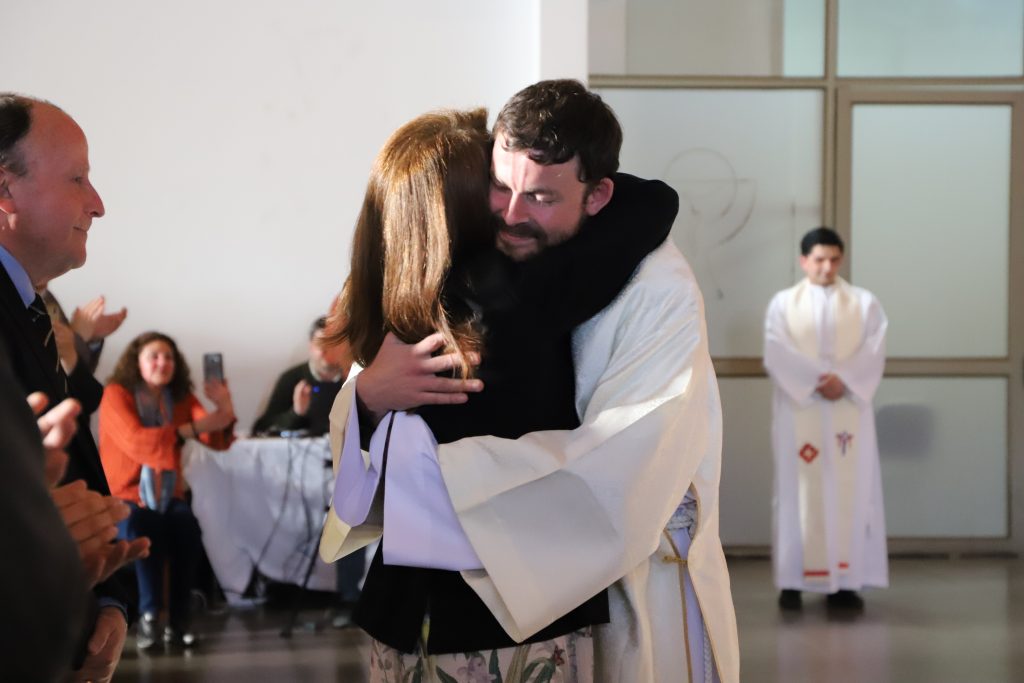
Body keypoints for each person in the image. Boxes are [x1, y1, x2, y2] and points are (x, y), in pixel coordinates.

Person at [321, 81, 739, 683]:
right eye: (500, 186)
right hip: (471, 588)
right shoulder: (477, 264)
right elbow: (377, 383)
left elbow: (633, 449)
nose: (513, 214)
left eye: (541, 196)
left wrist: (429, 482)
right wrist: (366, 399)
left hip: (615, 567)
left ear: (598, 196)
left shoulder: (655, 285)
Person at [0, 92, 148, 683]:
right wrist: (30, 540)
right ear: (5, 190)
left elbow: (70, 478)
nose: (98, 204)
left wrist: (108, 598)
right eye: (77, 178)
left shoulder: (35, 306)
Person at [763, 226, 889, 610]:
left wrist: (845, 380)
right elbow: (776, 348)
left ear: (841, 259)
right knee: (798, 491)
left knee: (851, 489)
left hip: (848, 408)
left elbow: (874, 347)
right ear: (804, 261)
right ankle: (792, 581)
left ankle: (845, 583)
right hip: (801, 407)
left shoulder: (864, 303)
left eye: (834, 259)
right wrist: (819, 380)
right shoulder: (783, 303)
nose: (827, 267)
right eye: (819, 259)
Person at [98, 331, 237, 649]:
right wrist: (194, 428)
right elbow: (137, 441)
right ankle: (149, 617)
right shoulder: (116, 394)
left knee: (187, 528)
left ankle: (179, 620)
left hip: (168, 494)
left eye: (169, 357)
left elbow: (215, 437)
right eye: (154, 356)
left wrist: (223, 406)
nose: (162, 363)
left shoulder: (181, 397)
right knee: (146, 527)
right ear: (136, 362)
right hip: (125, 494)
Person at [252, 315, 352, 437]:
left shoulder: (355, 380)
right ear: (310, 346)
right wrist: (296, 412)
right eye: (320, 343)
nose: (326, 349)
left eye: (333, 343)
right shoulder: (291, 379)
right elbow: (262, 428)